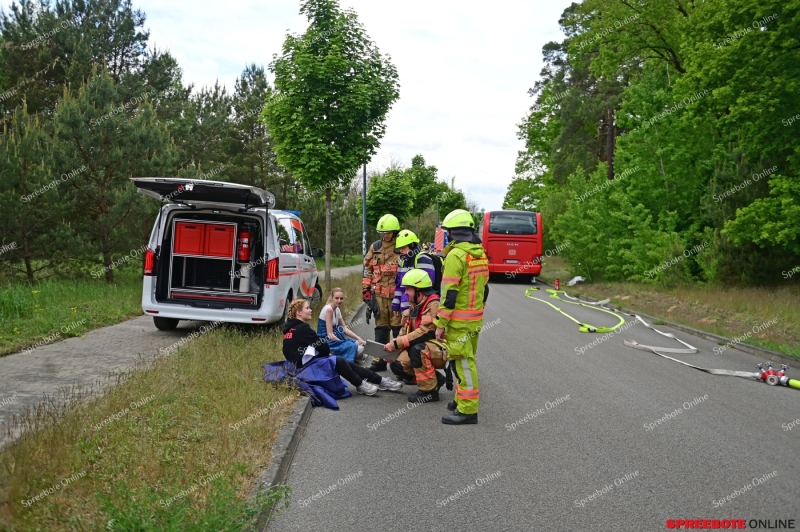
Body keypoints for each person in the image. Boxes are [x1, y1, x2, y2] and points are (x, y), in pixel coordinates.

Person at [435, 209, 489, 425]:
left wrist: (440, 323)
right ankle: (460, 401)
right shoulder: (480, 254)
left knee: (463, 364)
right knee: (464, 361)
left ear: (453, 233)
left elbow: (449, 295)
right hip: (474, 319)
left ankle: (468, 410)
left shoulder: (455, 256)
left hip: (459, 321)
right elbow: (485, 289)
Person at [283, 299, 403, 395]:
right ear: (299, 312)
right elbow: (323, 347)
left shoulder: (290, 329)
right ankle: (361, 384)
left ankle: (379, 381)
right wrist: (323, 352)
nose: (310, 310)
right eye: (307, 308)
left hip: (301, 366)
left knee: (344, 362)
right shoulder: (303, 328)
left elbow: (289, 351)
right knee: (339, 360)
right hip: (305, 369)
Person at [387, 269, 447, 404]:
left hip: (439, 347)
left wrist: (397, 344)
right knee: (397, 366)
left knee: (417, 349)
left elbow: (425, 332)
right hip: (424, 345)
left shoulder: (433, 305)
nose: (405, 292)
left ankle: (429, 391)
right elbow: (406, 330)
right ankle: (435, 379)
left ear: (419, 290)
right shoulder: (415, 304)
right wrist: (393, 347)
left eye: (408, 289)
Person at [362, 214, 402, 371]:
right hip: (379, 297)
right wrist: (366, 292)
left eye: (388, 232)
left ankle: (399, 364)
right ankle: (380, 360)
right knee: (381, 328)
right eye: (383, 232)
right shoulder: (376, 246)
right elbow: (367, 270)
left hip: (397, 298)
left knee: (398, 329)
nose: (385, 235)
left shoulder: (401, 246)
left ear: (394, 231)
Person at [392, 229, 437, 318]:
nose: (400, 251)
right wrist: (396, 304)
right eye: (399, 248)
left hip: (419, 311)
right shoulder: (403, 261)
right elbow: (399, 285)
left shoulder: (423, 259)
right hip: (405, 310)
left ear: (412, 245)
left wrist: (412, 310)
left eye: (403, 247)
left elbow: (426, 288)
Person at [317, 288, 367, 363]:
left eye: (341, 298)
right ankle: (341, 356)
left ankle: (351, 354)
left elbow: (344, 328)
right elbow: (330, 335)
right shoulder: (329, 310)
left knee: (359, 343)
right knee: (358, 348)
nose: (339, 301)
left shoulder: (337, 309)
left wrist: (358, 338)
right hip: (326, 340)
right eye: (336, 298)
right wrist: (343, 343)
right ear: (332, 298)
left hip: (334, 338)